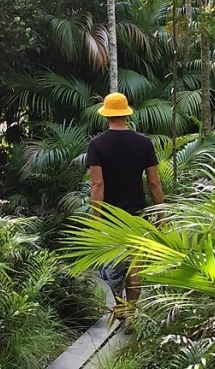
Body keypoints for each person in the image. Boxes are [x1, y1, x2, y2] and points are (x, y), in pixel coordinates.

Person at [86, 92, 164, 330]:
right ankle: (131, 312)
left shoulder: (97, 145)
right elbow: (154, 182)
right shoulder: (143, 142)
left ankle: (119, 305)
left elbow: (97, 185)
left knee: (112, 264)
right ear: (126, 113)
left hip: (110, 216)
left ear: (106, 115)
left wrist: (96, 219)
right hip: (137, 214)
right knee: (135, 264)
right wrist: (161, 212)